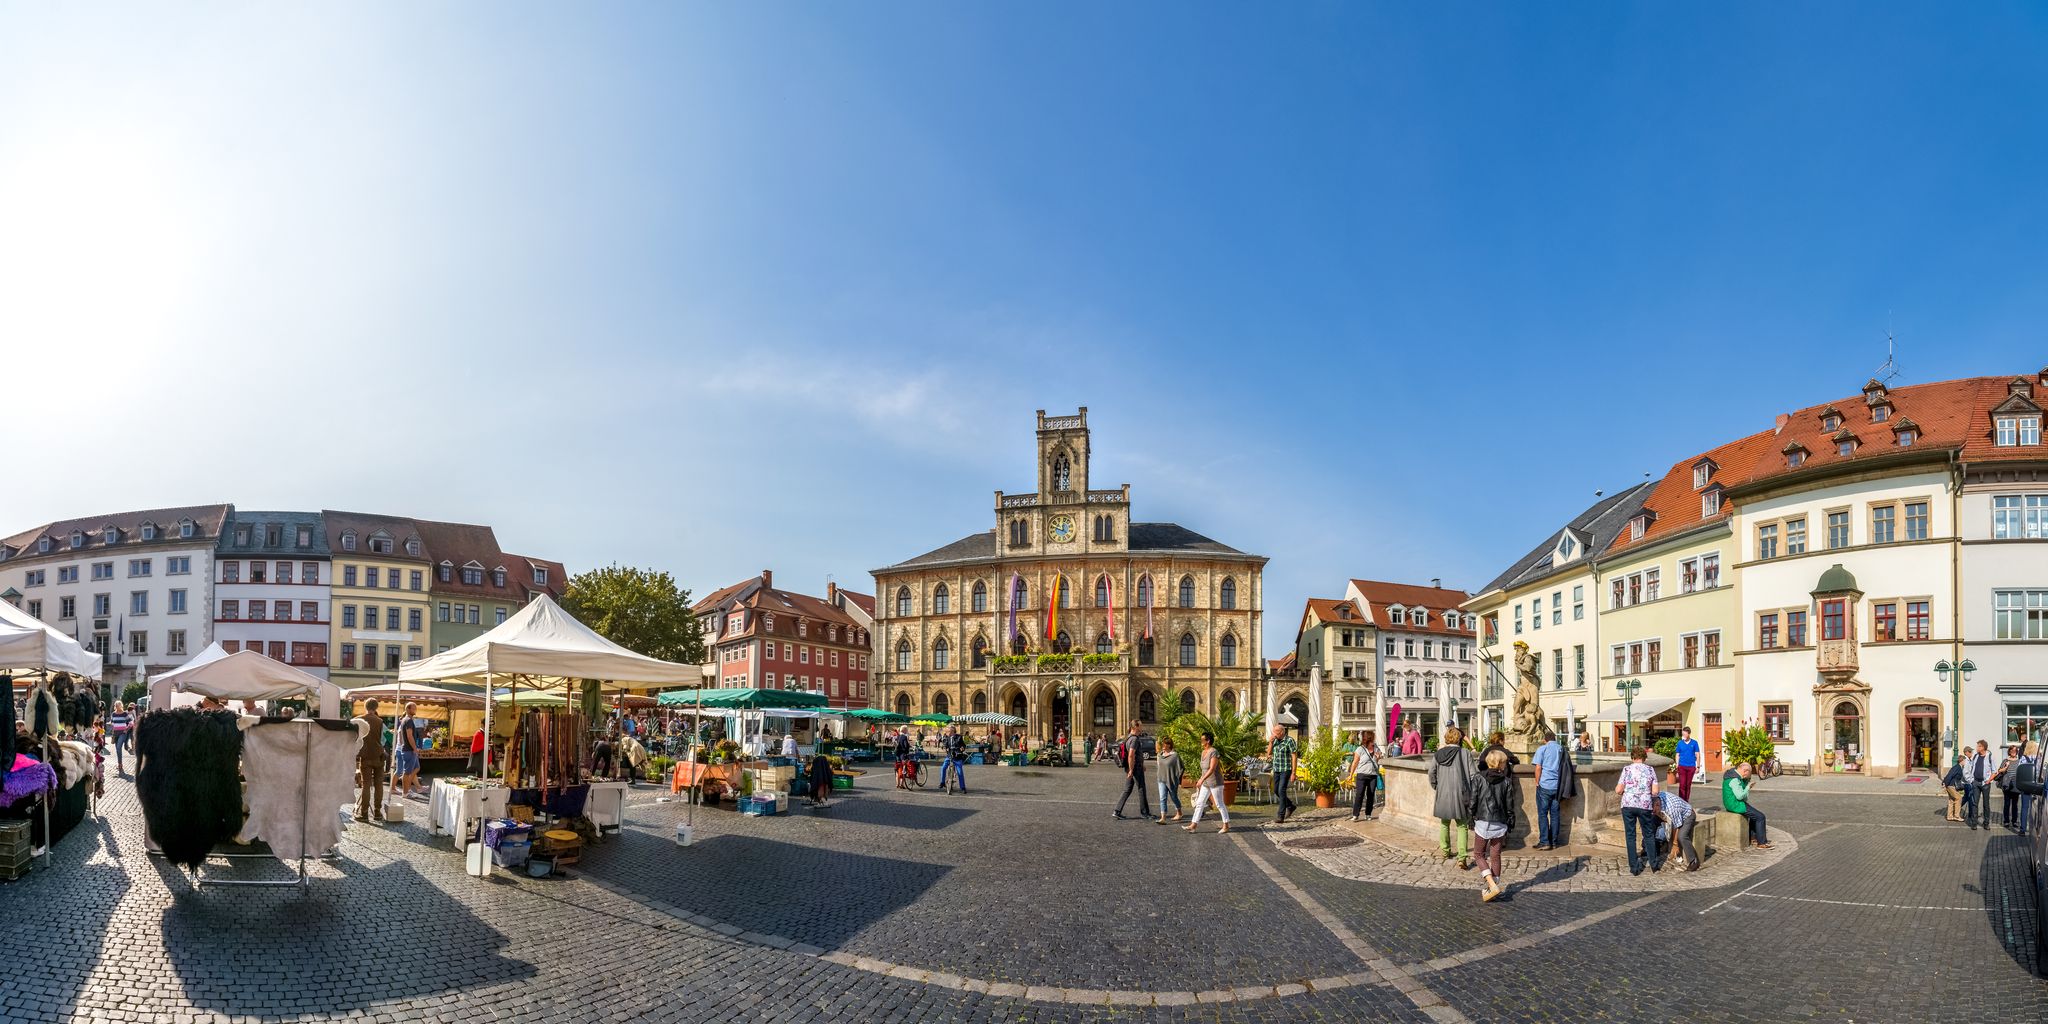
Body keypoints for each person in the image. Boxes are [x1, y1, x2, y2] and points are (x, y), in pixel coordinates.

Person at [1469, 746, 1516, 901]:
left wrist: (1470, 817)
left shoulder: (1478, 778)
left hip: (1483, 821)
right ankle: (1492, 887)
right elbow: (1510, 804)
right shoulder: (1507, 781)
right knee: (1496, 856)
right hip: (1500, 822)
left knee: (1478, 854)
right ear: (1501, 764)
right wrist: (1511, 820)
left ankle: (1490, 883)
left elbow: (1473, 800)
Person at [1429, 726, 1477, 868]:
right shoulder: (1465, 753)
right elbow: (1473, 775)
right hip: (1461, 793)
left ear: (1446, 738)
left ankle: (1445, 851)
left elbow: (1431, 773)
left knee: (1444, 823)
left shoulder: (1438, 754)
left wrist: (1436, 786)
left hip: (1443, 792)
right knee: (1462, 825)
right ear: (1459, 738)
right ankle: (1462, 857)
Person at [1615, 746, 1661, 875]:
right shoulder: (1650, 770)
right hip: (1644, 805)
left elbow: (1618, 790)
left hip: (1628, 804)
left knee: (1630, 836)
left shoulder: (1627, 769)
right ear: (1644, 758)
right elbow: (1655, 791)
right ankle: (1654, 865)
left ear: (1632, 757)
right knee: (1648, 834)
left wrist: (1626, 791)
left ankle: (1634, 868)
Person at [1183, 731, 1230, 834]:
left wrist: (1202, 779)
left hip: (1215, 783)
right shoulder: (1203, 752)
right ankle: (1193, 825)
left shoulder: (1214, 752)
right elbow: (1204, 769)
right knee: (1199, 803)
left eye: (1202, 740)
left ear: (1208, 741)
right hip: (1206, 783)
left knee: (1219, 804)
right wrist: (1201, 779)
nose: (1201, 741)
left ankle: (1226, 825)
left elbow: (1212, 769)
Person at [1722, 761, 1772, 849]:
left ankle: (1753, 838)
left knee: (1754, 816)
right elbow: (1740, 796)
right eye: (1749, 773)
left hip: (1733, 803)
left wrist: (1746, 785)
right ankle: (1761, 843)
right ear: (1745, 771)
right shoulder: (1734, 779)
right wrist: (1748, 787)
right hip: (1735, 805)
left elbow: (1742, 796)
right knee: (1760, 817)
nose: (1749, 776)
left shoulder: (1733, 775)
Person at [354, 699, 387, 824]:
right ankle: (377, 812)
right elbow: (383, 739)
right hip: (378, 755)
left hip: (365, 755)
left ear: (365, 706)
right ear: (376, 707)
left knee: (366, 785)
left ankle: (364, 813)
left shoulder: (359, 720)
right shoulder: (380, 721)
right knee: (379, 785)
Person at [1531, 729, 1564, 849]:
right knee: (1555, 814)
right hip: (1557, 786)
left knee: (1543, 814)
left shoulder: (1542, 749)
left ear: (1545, 740)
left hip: (1545, 785)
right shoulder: (1561, 749)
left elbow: (1538, 767)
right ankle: (1554, 842)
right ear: (1555, 739)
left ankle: (1545, 841)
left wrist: (1537, 782)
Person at [1654, 787, 1699, 872]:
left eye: (1654, 811)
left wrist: (1675, 845)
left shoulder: (1672, 808)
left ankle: (1693, 861)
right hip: (1669, 815)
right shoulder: (1657, 797)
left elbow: (1677, 826)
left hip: (1687, 816)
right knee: (1653, 821)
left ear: (1657, 804)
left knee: (1682, 836)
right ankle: (1658, 846)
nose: (1653, 812)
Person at [1113, 722, 1151, 820]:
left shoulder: (1128, 738)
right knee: (1141, 788)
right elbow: (1131, 755)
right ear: (1135, 727)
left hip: (1133, 767)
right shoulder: (1134, 739)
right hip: (1135, 768)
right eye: (1140, 725)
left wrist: (1138, 766)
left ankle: (1117, 811)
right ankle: (1145, 813)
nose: (1142, 727)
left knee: (1127, 789)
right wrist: (1131, 769)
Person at [1267, 725, 1300, 825]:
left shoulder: (1289, 741)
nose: (1273, 734)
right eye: (1273, 732)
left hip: (1286, 769)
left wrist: (1294, 772)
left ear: (1282, 732)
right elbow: (1269, 753)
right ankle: (1290, 806)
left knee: (1281, 790)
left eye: (1275, 732)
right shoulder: (1275, 741)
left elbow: (1294, 757)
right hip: (1276, 769)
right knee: (1276, 790)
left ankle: (1280, 816)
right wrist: (1270, 742)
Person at [1347, 730, 1380, 822]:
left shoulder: (1376, 748)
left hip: (1373, 775)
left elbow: (1379, 760)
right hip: (1362, 775)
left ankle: (1368, 814)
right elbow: (1355, 762)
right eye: (1372, 738)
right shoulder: (1360, 749)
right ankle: (1355, 814)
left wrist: (1378, 758)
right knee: (1360, 794)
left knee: (1371, 795)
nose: (1374, 739)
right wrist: (1351, 774)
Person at [1961, 739, 1994, 829]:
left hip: (1985, 784)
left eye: (1978, 746)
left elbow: (1994, 771)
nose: (1976, 748)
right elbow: (1971, 768)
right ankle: (1974, 823)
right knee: (1975, 803)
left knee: (1986, 804)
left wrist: (1989, 780)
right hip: (1975, 782)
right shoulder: (1975, 756)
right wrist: (1971, 780)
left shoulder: (1990, 757)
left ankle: (1986, 823)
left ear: (1983, 747)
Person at [394, 703, 423, 799]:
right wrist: (415, 748)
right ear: (408, 709)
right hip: (409, 750)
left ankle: (407, 789)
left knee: (414, 768)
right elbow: (409, 736)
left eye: (415, 708)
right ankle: (405, 792)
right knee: (407, 773)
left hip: (407, 749)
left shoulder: (405, 720)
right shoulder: (408, 720)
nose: (415, 710)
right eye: (413, 708)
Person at [1155, 737, 1184, 823]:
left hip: (1171, 780)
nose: (1163, 745)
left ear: (1169, 745)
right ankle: (1163, 818)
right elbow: (1159, 766)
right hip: (1161, 779)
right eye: (1162, 743)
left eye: (1165, 743)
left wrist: (1177, 778)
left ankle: (1179, 812)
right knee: (1162, 798)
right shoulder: (1160, 755)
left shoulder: (1174, 755)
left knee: (1174, 797)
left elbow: (1181, 767)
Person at [2016, 740, 2040, 837]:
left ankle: (2022, 829)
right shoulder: (2038, 758)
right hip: (2036, 786)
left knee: (2024, 807)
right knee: (2037, 808)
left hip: (2025, 786)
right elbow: (2039, 772)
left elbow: (2019, 771)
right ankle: (2035, 829)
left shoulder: (2022, 758)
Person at [1673, 726, 1702, 802]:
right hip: (1682, 766)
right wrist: (1677, 764)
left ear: (1689, 734)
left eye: (1685, 734)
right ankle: (1681, 800)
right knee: (1682, 784)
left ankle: (1686, 801)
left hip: (1691, 767)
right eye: (1683, 734)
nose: (1683, 736)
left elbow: (1697, 754)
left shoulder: (1694, 743)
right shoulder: (1680, 743)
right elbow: (1677, 754)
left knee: (1688, 785)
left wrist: (1698, 766)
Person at [1996, 743, 2020, 829]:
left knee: (2015, 804)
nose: (2013, 752)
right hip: (2007, 784)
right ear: (2009, 751)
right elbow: (1999, 771)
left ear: (2017, 752)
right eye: (2012, 750)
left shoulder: (2019, 761)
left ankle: (2014, 821)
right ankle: (2006, 821)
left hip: (2016, 785)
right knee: (2007, 803)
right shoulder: (2005, 761)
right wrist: (2006, 767)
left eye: (2015, 750)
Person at [941, 727, 968, 793]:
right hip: (949, 756)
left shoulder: (959, 737)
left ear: (952, 731)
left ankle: (963, 787)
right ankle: (942, 782)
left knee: (960, 772)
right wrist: (944, 747)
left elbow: (963, 745)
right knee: (943, 768)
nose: (947, 732)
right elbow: (945, 745)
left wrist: (962, 748)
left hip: (957, 756)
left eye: (948, 731)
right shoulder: (947, 738)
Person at [107, 702, 132, 774]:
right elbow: (112, 722)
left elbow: (131, 723)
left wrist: (126, 729)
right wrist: (112, 726)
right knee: (118, 750)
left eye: (118, 705)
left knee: (118, 747)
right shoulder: (113, 714)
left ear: (121, 706)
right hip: (115, 734)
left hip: (122, 733)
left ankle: (120, 764)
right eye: (116, 706)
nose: (117, 707)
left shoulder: (124, 714)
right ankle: (119, 764)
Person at [1941, 758, 1966, 823]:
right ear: (1961, 761)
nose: (1965, 762)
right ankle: (1956, 816)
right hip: (1951, 785)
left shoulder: (1958, 767)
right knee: (1959, 798)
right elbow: (1950, 775)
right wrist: (1945, 784)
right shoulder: (1957, 767)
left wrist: (1944, 783)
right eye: (1964, 761)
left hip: (1950, 785)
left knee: (1951, 800)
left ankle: (1949, 816)